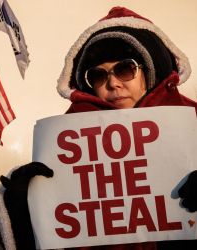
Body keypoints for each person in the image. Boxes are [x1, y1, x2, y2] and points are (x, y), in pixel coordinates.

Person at [56, 6, 197, 250]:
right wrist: (26, 198)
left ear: (149, 71)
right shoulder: (68, 138)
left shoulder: (192, 119)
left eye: (125, 69)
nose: (112, 83)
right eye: (98, 76)